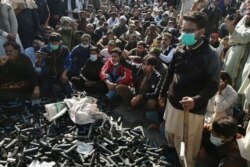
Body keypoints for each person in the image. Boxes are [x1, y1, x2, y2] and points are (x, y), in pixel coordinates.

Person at [159, 11, 221, 167]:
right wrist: (162, 93)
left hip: (192, 111)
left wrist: (196, 100)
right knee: (171, 134)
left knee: (186, 143)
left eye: (189, 31)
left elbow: (213, 85)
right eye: (183, 29)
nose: (184, 33)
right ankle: (172, 154)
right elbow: (170, 73)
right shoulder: (180, 47)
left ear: (201, 31)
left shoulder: (210, 56)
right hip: (173, 102)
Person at [223, 6, 250, 91]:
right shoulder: (245, 20)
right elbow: (236, 30)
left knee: (233, 80)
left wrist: (230, 27)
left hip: (240, 55)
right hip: (232, 51)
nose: (248, 16)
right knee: (225, 75)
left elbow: (242, 37)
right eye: (248, 14)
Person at [39, 32, 72, 99]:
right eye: (52, 43)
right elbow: (40, 63)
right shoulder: (44, 49)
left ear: (59, 42)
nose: (54, 44)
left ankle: (58, 87)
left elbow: (68, 63)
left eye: (56, 43)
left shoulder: (65, 50)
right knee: (43, 93)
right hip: (48, 75)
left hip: (60, 75)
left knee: (68, 91)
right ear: (49, 42)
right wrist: (39, 62)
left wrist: (64, 74)